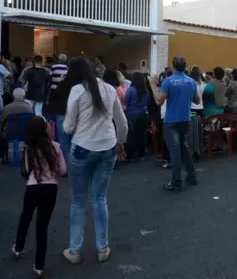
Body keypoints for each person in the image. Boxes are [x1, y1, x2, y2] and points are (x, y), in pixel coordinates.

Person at [62, 58, 128, 264]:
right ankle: (102, 247)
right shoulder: (109, 89)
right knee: (100, 198)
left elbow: (68, 127)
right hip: (107, 146)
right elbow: (122, 122)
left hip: (82, 147)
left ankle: (75, 250)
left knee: (78, 200)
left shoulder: (77, 91)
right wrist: (120, 142)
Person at [12, 116, 67, 277]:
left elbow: (27, 170)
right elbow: (63, 171)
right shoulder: (55, 147)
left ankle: (18, 247)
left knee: (25, 217)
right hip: (50, 188)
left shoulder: (29, 149)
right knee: (42, 226)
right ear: (45, 129)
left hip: (32, 187)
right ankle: (39, 265)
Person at [149, 56, 200, 191]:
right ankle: (191, 175)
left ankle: (176, 181)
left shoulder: (168, 81)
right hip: (185, 119)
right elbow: (197, 101)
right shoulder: (191, 82)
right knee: (184, 147)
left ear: (173, 66)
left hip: (171, 120)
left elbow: (159, 101)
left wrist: (153, 86)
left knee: (175, 151)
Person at [123, 72, 150, 161]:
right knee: (141, 135)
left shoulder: (130, 90)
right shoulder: (146, 91)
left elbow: (125, 101)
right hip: (143, 114)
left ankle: (130, 154)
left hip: (131, 114)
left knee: (131, 135)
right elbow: (147, 103)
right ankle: (141, 153)